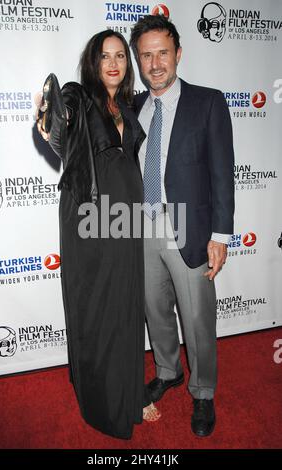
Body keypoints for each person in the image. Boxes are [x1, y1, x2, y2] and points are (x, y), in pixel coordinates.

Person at [36, 29, 160, 439]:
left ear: (127, 65)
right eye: (104, 56)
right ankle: (104, 400)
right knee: (98, 308)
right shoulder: (81, 95)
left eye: (120, 56)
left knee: (126, 306)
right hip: (92, 219)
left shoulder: (127, 105)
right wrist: (52, 118)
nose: (112, 63)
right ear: (93, 63)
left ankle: (129, 391)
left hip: (126, 218)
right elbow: (63, 117)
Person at [130, 15, 234, 437]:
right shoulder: (133, 106)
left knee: (197, 319)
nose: (155, 63)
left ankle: (203, 392)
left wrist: (221, 235)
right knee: (155, 313)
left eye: (162, 53)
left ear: (178, 54)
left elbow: (223, 172)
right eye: (146, 55)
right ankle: (169, 371)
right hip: (141, 228)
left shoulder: (208, 102)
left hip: (189, 228)